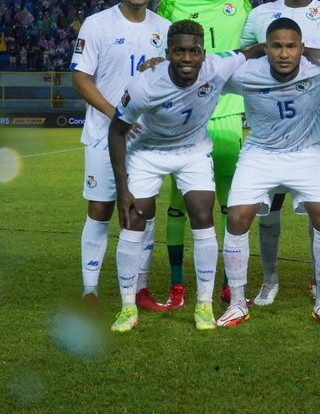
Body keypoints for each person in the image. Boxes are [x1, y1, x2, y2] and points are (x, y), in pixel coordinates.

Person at [106, 20, 262, 332]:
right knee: (135, 216)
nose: (187, 58)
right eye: (179, 51)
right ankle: (127, 307)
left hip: (193, 151)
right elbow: (116, 132)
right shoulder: (145, 83)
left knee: (203, 214)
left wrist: (304, 51)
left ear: (204, 53)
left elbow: (253, 50)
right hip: (148, 153)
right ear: (167, 53)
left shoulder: (217, 67)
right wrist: (122, 188)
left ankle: (204, 305)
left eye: (194, 51)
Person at [217, 18, 320, 328]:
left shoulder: (318, 69)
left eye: (291, 46)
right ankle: (236, 303)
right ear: (267, 48)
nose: (284, 54)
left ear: (301, 48)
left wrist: (315, 51)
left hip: (307, 154)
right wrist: (247, 52)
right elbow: (208, 66)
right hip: (260, 154)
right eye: (276, 46)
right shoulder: (247, 73)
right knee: (236, 219)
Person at [239, 0, 320, 306]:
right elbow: (246, 63)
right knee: (270, 206)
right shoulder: (260, 14)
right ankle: (270, 279)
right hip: (270, 123)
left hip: (318, 124)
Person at [71, 0, 171, 312]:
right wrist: (119, 116)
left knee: (142, 211)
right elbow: (80, 78)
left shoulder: (163, 27)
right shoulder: (97, 25)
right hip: (103, 134)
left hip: (147, 140)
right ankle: (90, 290)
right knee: (99, 209)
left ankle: (140, 289)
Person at [156, 0, 252, 308]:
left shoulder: (240, 0)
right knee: (180, 201)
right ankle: (178, 284)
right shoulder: (172, 4)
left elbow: (256, 40)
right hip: (186, 112)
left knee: (230, 201)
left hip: (227, 110)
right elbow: (158, 45)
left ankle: (229, 282)